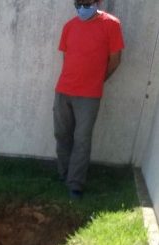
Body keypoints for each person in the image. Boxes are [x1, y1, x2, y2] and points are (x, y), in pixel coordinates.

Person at [53, 0, 124, 199]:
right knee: (62, 134)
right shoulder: (69, 26)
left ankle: (75, 184)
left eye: (87, 3)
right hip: (63, 90)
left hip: (89, 95)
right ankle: (64, 173)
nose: (82, 7)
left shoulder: (111, 24)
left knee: (82, 140)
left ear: (98, 2)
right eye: (78, 3)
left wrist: (97, 80)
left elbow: (116, 59)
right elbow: (67, 57)